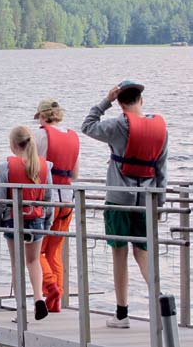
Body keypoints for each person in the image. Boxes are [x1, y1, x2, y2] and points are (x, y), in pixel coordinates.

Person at [82, 81, 168, 329]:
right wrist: (159, 203)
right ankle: (159, 303)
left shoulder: (118, 124)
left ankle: (122, 314)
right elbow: (162, 169)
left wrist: (104, 101)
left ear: (120, 103)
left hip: (119, 199)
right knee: (142, 253)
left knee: (119, 253)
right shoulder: (160, 128)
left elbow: (87, 125)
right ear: (141, 100)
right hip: (148, 199)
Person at [0, 126, 53, 321]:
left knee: (16, 264)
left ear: (12, 145)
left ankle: (21, 311)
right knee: (33, 261)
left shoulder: (6, 168)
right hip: (36, 219)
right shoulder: (44, 166)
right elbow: (48, 197)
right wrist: (48, 221)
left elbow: (0, 199)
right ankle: (38, 298)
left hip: (13, 220)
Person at [33, 99, 80, 312]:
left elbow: (36, 168)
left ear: (42, 116)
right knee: (55, 252)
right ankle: (56, 302)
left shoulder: (41, 136)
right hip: (67, 200)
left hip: (48, 200)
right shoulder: (73, 137)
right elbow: (75, 174)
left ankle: (51, 287)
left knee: (36, 252)